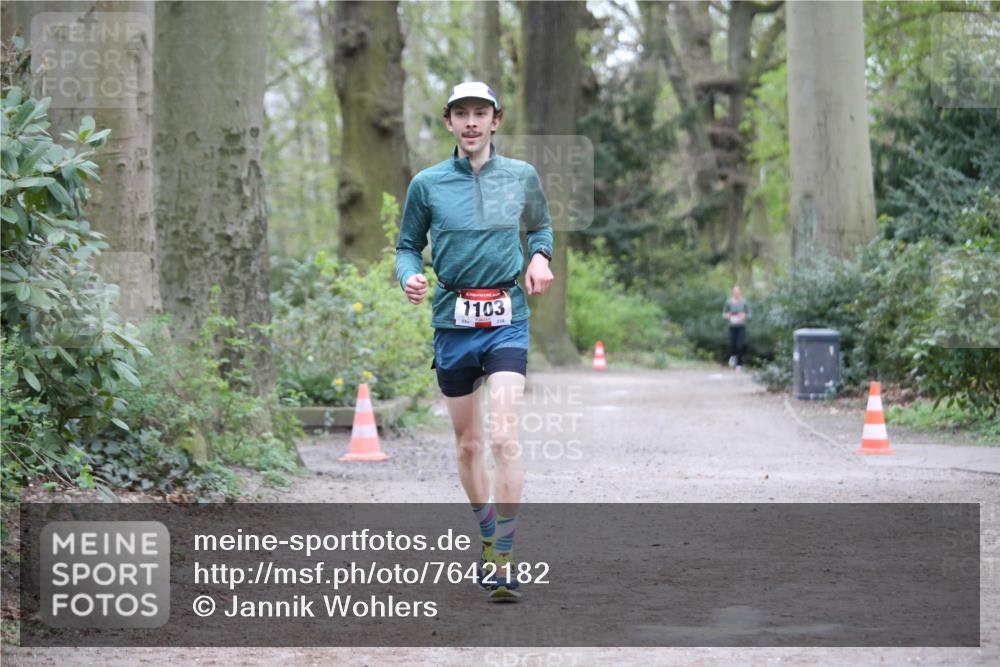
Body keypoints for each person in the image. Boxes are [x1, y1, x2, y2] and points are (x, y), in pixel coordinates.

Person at [395, 81, 554, 602]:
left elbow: (543, 229)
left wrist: (538, 257)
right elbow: (406, 247)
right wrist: (409, 276)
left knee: (504, 437)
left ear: (495, 120)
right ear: (448, 123)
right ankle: (486, 539)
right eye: (460, 113)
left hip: (507, 316)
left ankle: (504, 560)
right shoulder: (428, 184)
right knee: (468, 444)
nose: (470, 122)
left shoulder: (521, 177)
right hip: (452, 320)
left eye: (479, 113)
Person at [722, 285, 751, 371]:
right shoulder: (729, 302)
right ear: (732, 292)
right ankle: (733, 356)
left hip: (741, 326)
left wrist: (744, 315)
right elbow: (724, 314)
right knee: (733, 344)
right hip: (732, 326)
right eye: (734, 292)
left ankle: (739, 364)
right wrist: (728, 315)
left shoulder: (744, 302)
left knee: (740, 345)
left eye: (737, 292)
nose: (736, 293)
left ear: (740, 292)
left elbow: (750, 314)